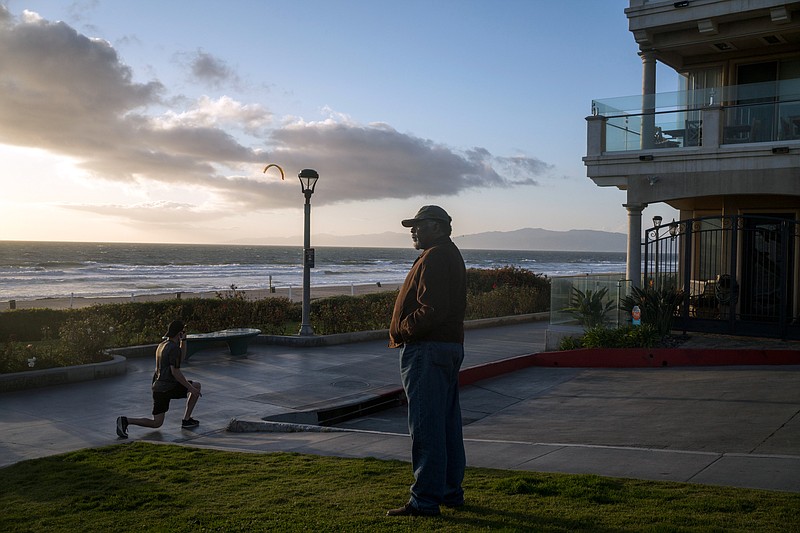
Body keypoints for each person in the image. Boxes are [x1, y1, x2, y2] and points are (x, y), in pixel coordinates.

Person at [386, 205, 467, 517]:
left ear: (436, 226)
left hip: (427, 349)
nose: (413, 230)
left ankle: (425, 500)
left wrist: (404, 331)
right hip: (445, 347)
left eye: (418, 225)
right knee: (445, 426)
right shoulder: (448, 253)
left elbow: (431, 308)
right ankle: (449, 492)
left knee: (426, 427)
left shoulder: (435, 256)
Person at [115, 320, 202, 438]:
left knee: (157, 423)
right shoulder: (174, 348)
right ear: (179, 333)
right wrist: (190, 388)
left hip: (158, 387)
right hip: (168, 386)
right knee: (196, 386)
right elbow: (175, 372)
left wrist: (184, 341)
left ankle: (125, 420)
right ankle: (186, 420)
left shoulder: (162, 345)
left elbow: (180, 359)